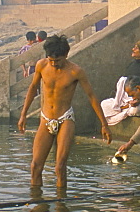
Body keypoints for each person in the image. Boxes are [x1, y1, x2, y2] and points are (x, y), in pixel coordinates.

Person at [17, 34, 111, 188]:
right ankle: (37, 205)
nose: (53, 64)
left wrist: (104, 124)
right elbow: (33, 88)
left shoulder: (75, 71)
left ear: (66, 55)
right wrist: (23, 115)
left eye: (58, 61)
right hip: (45, 117)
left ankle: (61, 207)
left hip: (65, 118)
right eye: (51, 60)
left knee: (60, 167)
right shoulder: (41, 65)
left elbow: (92, 97)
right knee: (35, 166)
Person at [100, 40, 140, 125]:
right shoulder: (131, 65)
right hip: (124, 100)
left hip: (139, 100)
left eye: (136, 48)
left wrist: (138, 100)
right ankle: (122, 109)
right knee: (104, 103)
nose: (133, 49)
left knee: (135, 110)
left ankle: (122, 110)